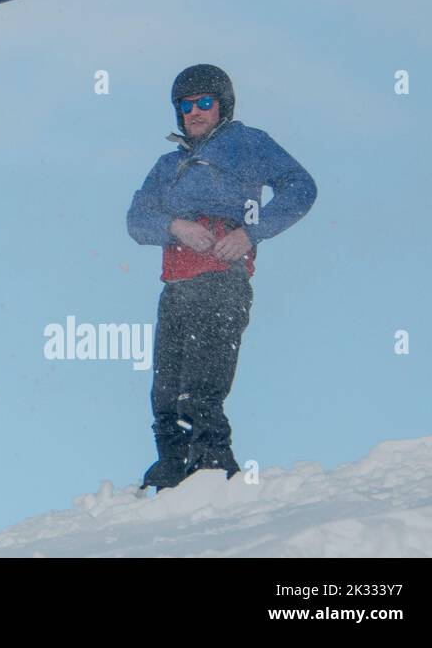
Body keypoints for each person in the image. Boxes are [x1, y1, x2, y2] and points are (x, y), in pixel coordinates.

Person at [126, 64, 316, 491]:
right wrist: (175, 227)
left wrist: (251, 232)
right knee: (165, 396)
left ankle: (213, 471)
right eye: (185, 105)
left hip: (220, 282)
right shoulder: (168, 164)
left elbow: (301, 187)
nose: (194, 111)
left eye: (204, 103)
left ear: (222, 106)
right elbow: (137, 219)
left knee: (200, 388)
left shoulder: (247, 143)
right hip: (176, 286)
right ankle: (172, 474)